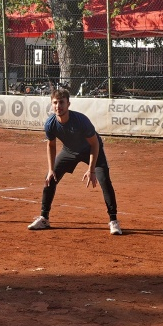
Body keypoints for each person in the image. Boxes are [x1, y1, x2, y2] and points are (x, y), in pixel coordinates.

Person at [27, 87, 122, 235]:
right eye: (55, 103)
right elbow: (51, 145)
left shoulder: (80, 121)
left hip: (91, 150)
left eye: (62, 102)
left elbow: (95, 144)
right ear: (52, 104)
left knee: (104, 180)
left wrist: (91, 170)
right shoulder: (50, 123)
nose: (58, 106)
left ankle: (113, 221)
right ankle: (44, 218)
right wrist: (51, 169)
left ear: (68, 104)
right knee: (50, 179)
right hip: (69, 151)